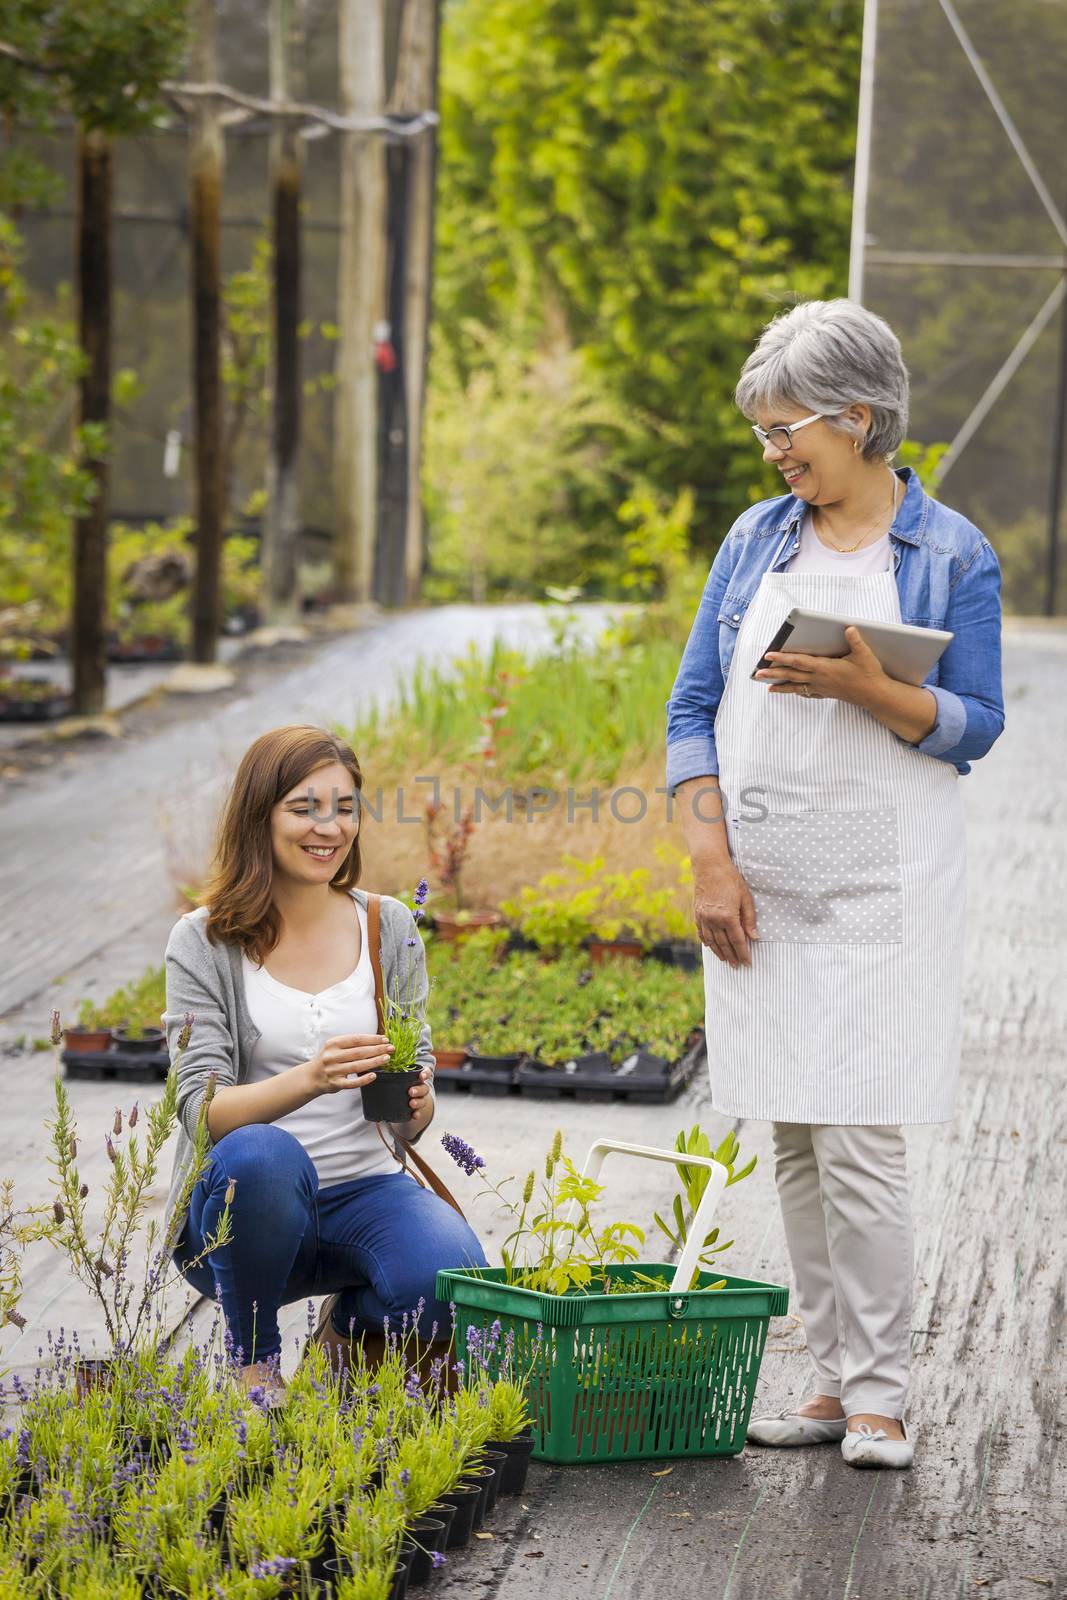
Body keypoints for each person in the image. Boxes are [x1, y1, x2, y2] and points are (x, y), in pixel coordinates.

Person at [665, 299, 1004, 1469]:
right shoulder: (755, 539)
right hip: (762, 882)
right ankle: (821, 1381)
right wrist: (707, 856)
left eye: (785, 427)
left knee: (858, 1137)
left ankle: (879, 1395)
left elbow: (974, 726)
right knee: (795, 1138)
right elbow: (691, 710)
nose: (772, 451)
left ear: (855, 418)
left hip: (881, 889)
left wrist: (867, 688)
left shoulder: (949, 551)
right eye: (762, 431)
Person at [161, 724, 487, 1402]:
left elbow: (408, 1091)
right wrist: (309, 1077)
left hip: (365, 1193)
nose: (328, 827)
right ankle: (254, 1360)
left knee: (451, 1290)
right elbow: (201, 1109)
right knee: (260, 1155)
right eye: (304, 808)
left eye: (344, 807)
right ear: (260, 815)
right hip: (242, 1214)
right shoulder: (204, 940)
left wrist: (416, 1109)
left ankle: (345, 1328)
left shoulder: (386, 924)